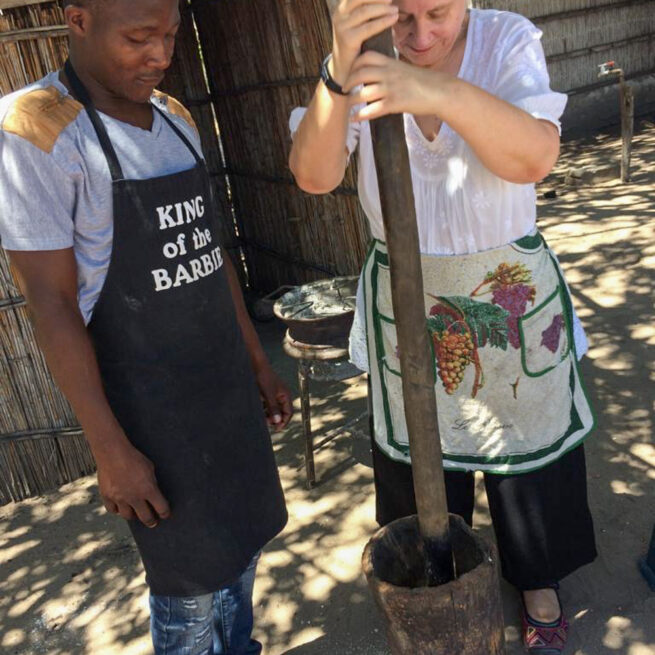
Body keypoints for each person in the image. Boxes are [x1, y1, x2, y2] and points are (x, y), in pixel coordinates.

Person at [289, 1, 597, 652]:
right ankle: (433, 575)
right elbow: (314, 176)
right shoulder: (357, 56)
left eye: (437, 13)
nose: (420, 35)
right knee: (420, 463)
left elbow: (533, 157)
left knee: (524, 456)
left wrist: (432, 89)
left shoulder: (505, 41)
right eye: (402, 17)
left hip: (503, 292)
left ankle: (536, 578)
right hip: (407, 293)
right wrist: (341, 71)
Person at [0, 1, 291, 653]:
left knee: (240, 543)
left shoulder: (176, 118)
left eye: (169, 36)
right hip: (151, 407)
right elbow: (51, 303)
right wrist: (110, 449)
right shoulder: (34, 127)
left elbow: (209, 256)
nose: (160, 55)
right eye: (138, 38)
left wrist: (257, 362)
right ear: (78, 19)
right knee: (187, 580)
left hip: (221, 381)